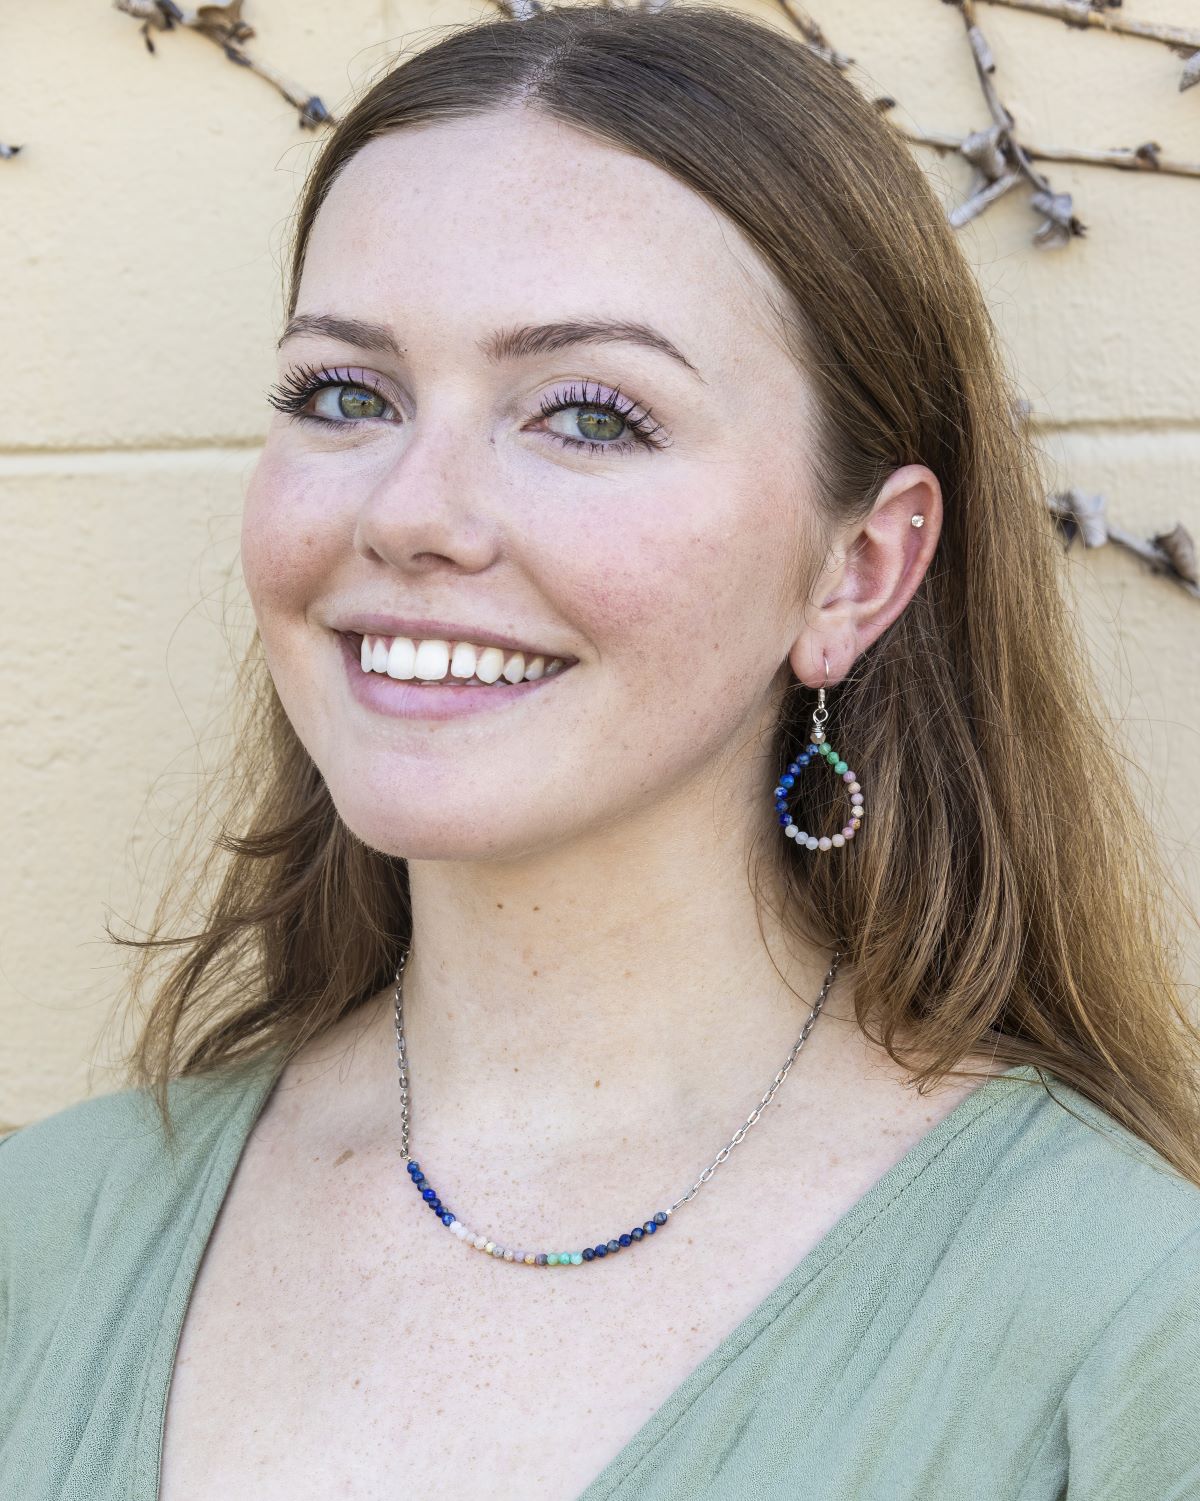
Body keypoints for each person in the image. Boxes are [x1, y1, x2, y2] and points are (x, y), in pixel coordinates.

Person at [2, 5, 1199, 1498]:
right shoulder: (43, 1243)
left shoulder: (1125, 1329)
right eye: (344, 395)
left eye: (586, 413)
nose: (409, 511)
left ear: (858, 571)